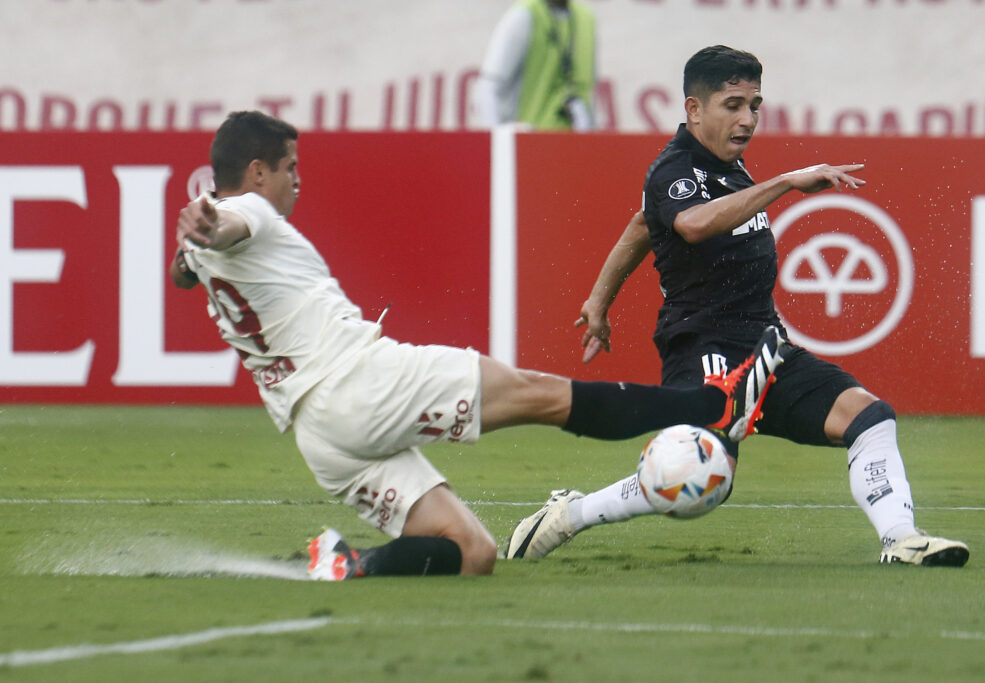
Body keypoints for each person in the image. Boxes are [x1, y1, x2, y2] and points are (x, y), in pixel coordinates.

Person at [170, 110, 785, 581]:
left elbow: (194, 257)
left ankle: (349, 564)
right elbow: (231, 221)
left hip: (319, 436)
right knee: (542, 396)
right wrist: (211, 221)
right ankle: (709, 405)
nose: (297, 183)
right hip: (360, 382)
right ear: (257, 174)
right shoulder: (248, 210)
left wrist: (193, 246)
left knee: (473, 553)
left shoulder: (207, 244)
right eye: (291, 168)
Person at [505, 46, 969, 567]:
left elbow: (641, 226)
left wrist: (598, 302)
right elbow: (691, 225)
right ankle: (570, 514)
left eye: (755, 104)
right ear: (694, 109)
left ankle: (901, 538)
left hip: (766, 350)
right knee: (704, 475)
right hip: (704, 345)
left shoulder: (726, 165)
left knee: (869, 417)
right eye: (733, 104)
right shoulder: (675, 170)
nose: (747, 118)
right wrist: (786, 183)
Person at [474, 0, 597, 131]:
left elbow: (590, 92)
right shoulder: (524, 15)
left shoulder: (587, 19)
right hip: (529, 141)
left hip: (575, 143)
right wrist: (498, 140)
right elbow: (488, 88)